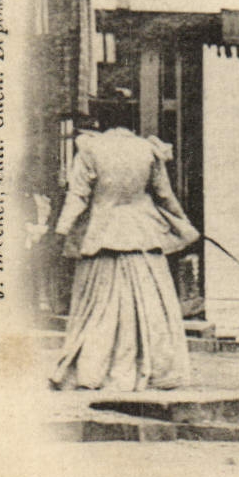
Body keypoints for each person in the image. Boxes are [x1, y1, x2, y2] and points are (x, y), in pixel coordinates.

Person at [48, 103, 199, 391]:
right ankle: (155, 370)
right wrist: (184, 226)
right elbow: (164, 196)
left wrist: (62, 229)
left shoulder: (91, 149)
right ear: (132, 122)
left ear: (101, 121)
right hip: (143, 235)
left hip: (102, 235)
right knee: (151, 306)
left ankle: (93, 372)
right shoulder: (147, 150)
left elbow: (78, 195)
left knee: (97, 307)